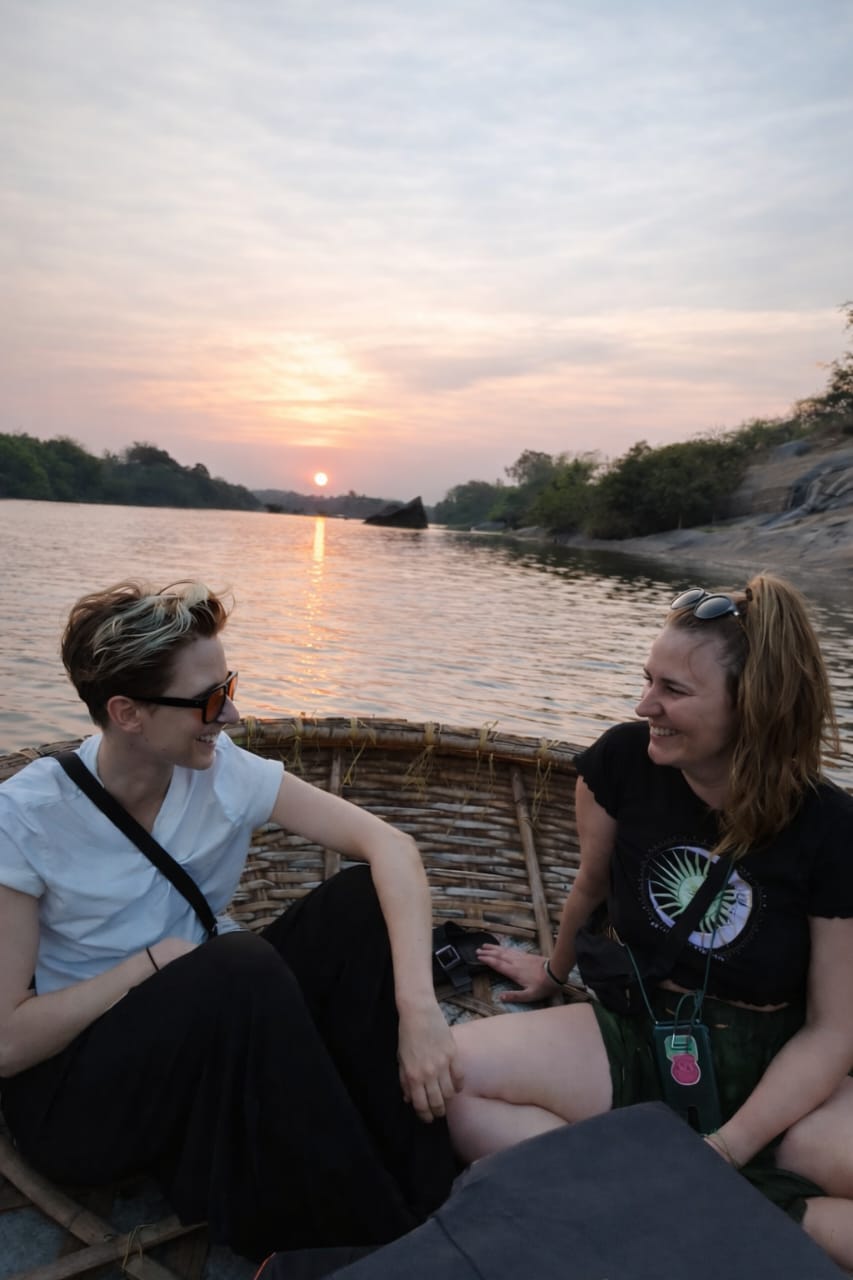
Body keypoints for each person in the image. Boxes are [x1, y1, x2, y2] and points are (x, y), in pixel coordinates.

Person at [0, 580, 461, 1261]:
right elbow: (8, 1042)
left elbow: (391, 847)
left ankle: (432, 1191)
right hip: (82, 1098)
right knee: (239, 964)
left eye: (230, 686)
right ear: (127, 713)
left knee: (357, 902)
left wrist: (418, 1011)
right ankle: (380, 1241)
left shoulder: (221, 773)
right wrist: (149, 965)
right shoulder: (27, 817)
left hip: (203, 1028)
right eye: (210, 700)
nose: (234, 714)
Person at [445, 573, 853, 1270]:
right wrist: (554, 972)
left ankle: (667, 1203)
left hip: (778, 1069)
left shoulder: (830, 827)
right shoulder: (623, 763)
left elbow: (833, 1030)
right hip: (643, 1030)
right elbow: (590, 885)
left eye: (673, 690)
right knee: (456, 1078)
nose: (645, 706)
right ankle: (703, 1213)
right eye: (647, 681)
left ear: (751, 708)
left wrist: (726, 1149)